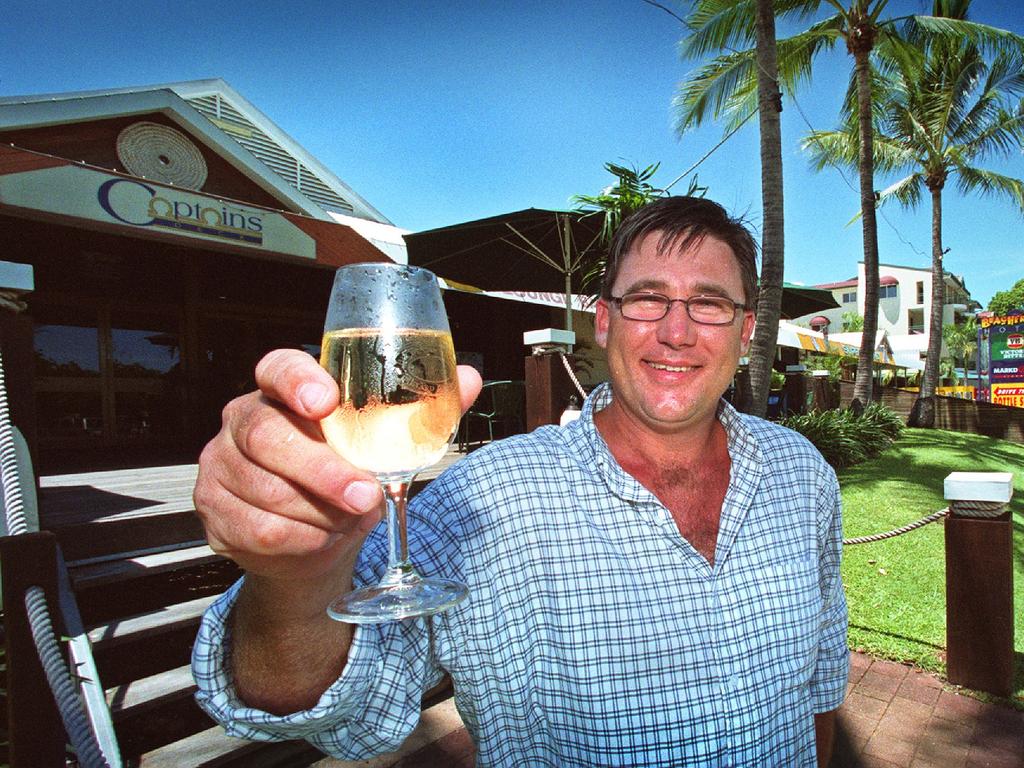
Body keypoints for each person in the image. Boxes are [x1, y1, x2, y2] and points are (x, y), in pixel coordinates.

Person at [192, 196, 848, 767]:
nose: (676, 332)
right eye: (647, 298)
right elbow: (339, 718)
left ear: (747, 332)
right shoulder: (483, 500)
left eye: (709, 305)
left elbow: (821, 686)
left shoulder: (802, 475)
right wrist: (294, 578)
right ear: (604, 320)